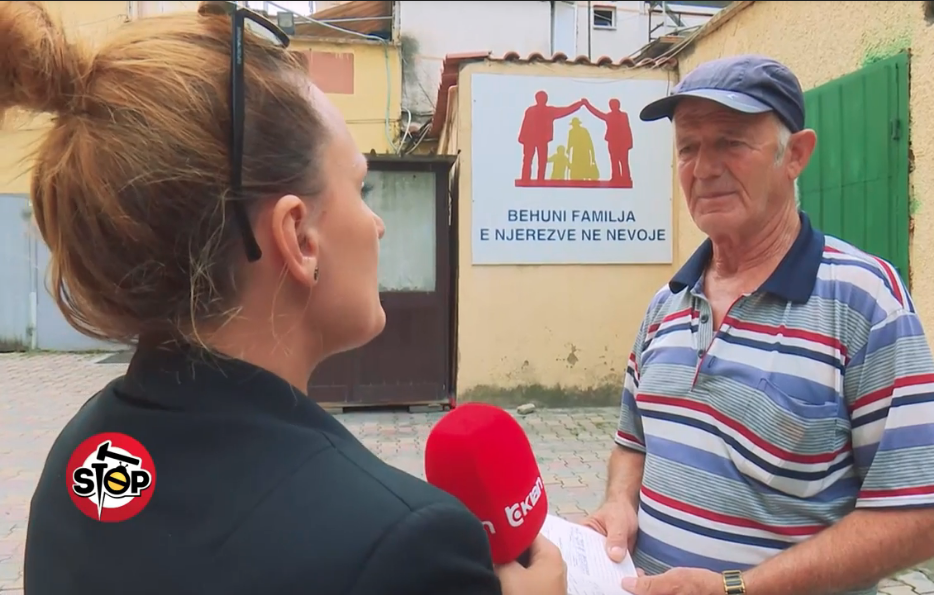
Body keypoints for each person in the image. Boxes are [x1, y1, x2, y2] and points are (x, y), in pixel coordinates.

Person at [2, 2, 566, 594]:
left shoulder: (79, 463)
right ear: (298, 237)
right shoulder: (406, 547)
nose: (377, 225)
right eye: (361, 187)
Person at [583, 54, 934, 595]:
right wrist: (619, 502)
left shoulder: (863, 301)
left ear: (797, 155)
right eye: (688, 147)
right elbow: (633, 443)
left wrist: (738, 588)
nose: (704, 168)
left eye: (731, 142)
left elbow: (928, 518)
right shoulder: (665, 306)